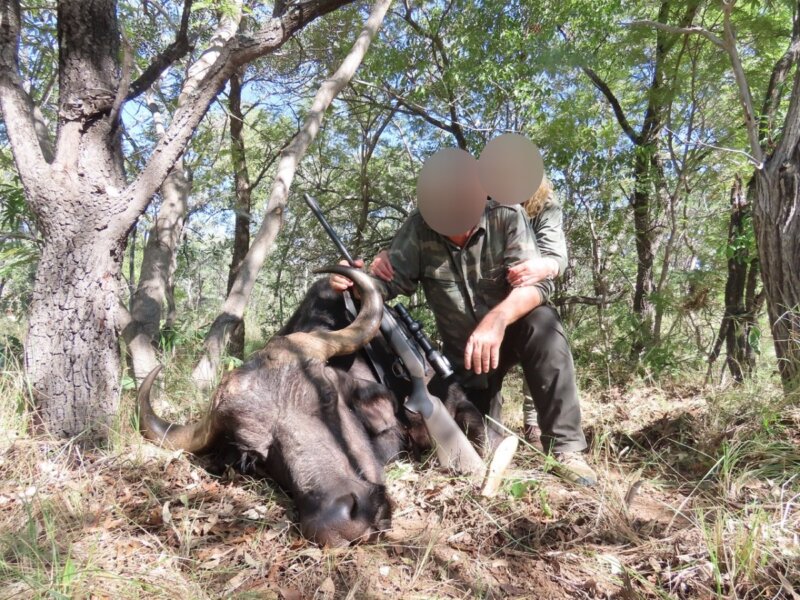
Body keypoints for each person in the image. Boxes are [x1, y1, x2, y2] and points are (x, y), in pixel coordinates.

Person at [331, 182, 596, 486]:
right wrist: (355, 281)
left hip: (511, 328)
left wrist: (497, 318)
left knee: (543, 322)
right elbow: (386, 285)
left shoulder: (507, 215)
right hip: (466, 356)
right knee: (478, 442)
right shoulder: (418, 228)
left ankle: (566, 450)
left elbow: (538, 285)